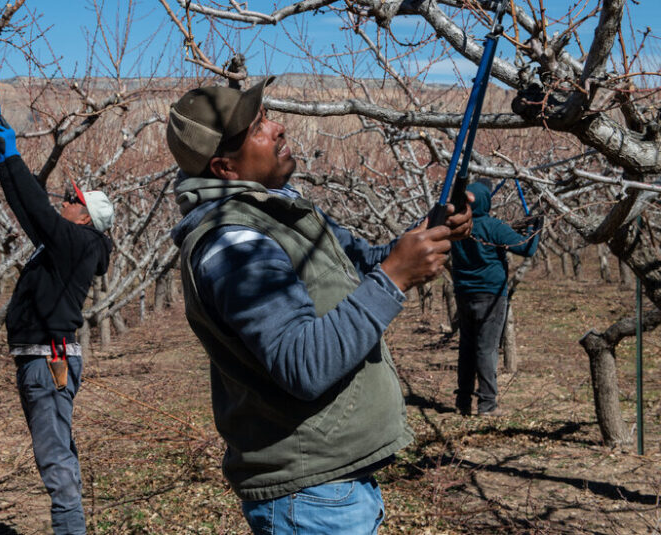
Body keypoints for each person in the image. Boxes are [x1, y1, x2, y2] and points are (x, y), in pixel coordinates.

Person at [166, 77, 473, 534]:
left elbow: (364, 261)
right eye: (258, 128)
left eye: (267, 116)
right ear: (225, 167)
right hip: (310, 497)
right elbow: (301, 363)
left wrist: (428, 232)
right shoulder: (236, 246)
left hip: (329, 485)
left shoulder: (277, 213)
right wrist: (396, 276)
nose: (278, 128)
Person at [0, 117, 114, 535]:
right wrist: (4, 164)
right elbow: (28, 210)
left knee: (55, 462)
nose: (66, 199)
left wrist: (14, 154)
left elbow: (38, 211)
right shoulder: (71, 244)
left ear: (83, 218)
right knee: (59, 454)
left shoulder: (77, 244)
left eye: (73, 198)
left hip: (48, 363)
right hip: (45, 363)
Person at [450, 179, 540, 417]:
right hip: (491, 295)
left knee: (467, 348)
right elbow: (526, 249)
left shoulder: (456, 227)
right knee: (487, 349)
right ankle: (487, 404)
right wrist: (535, 227)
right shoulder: (492, 226)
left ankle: (463, 401)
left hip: (463, 294)